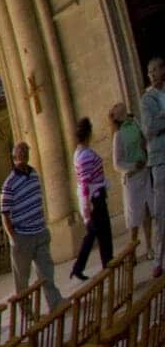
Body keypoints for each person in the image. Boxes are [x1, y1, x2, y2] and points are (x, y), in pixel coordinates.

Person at [1, 141, 63, 309]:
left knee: (46, 272)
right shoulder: (9, 184)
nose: (23, 156)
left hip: (40, 232)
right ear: (14, 158)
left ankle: (55, 303)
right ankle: (28, 314)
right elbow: (5, 215)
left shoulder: (34, 174)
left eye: (25, 152)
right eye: (20, 154)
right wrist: (14, 238)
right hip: (22, 236)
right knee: (22, 281)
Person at [70, 117, 112, 282]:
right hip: (95, 199)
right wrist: (87, 207)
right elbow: (85, 182)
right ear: (89, 133)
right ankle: (104, 264)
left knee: (97, 233)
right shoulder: (84, 155)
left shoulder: (79, 153)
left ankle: (85, 266)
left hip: (95, 197)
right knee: (100, 233)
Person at [110, 99, 152, 263]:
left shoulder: (134, 122)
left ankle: (149, 247)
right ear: (117, 116)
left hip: (144, 172)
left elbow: (144, 138)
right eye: (118, 107)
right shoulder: (118, 135)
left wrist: (145, 152)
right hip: (132, 178)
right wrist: (133, 166)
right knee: (134, 218)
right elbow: (117, 163)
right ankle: (132, 251)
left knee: (147, 213)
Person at [143, 58, 165, 278]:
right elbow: (149, 128)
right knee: (160, 212)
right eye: (149, 72)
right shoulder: (147, 99)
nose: (151, 74)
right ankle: (159, 259)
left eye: (154, 70)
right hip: (160, 160)